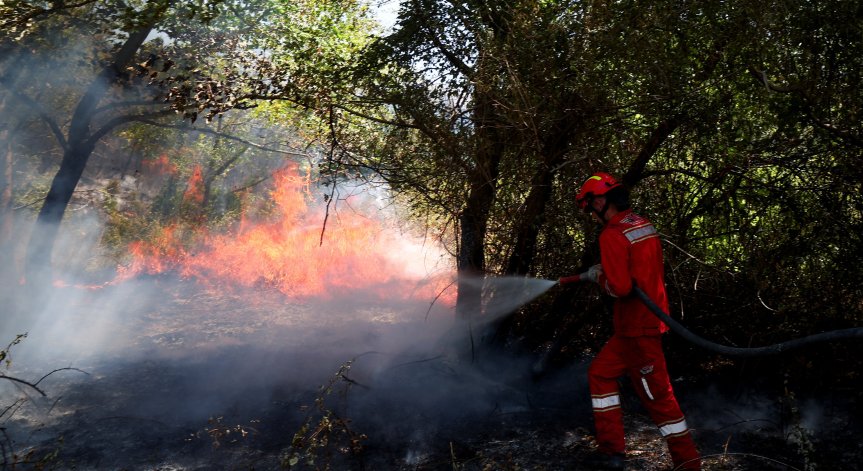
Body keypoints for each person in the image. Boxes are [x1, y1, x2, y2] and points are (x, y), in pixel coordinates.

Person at [559, 172, 701, 470]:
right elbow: (638, 268)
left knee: (659, 399)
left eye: (589, 208)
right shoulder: (641, 224)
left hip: (639, 329)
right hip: (635, 326)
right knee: (600, 373)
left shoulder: (611, 235)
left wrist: (601, 278)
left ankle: (688, 464)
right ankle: (611, 452)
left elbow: (621, 288)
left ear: (599, 201)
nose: (591, 215)